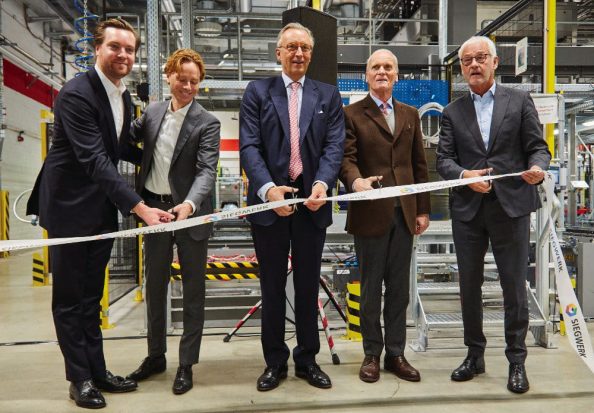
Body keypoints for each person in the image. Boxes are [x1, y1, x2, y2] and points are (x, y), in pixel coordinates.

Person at [25, 18, 174, 409]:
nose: (123, 54)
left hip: (100, 209)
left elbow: (120, 147)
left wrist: (165, 163)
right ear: (98, 50)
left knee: (92, 298)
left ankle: (98, 370)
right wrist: (140, 207)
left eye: (129, 49)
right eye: (115, 47)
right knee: (71, 301)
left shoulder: (122, 97)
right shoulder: (76, 94)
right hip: (69, 211)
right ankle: (79, 379)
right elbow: (94, 158)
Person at [436, 36, 551, 394]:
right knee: (468, 285)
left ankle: (517, 361)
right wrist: (463, 177)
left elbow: (538, 147)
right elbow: (444, 160)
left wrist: (538, 168)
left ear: (495, 62)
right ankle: (475, 355)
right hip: (469, 211)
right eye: (467, 60)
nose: (473, 65)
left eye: (480, 58)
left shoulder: (518, 101)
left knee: (513, 286)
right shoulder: (452, 111)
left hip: (511, 207)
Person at [239, 22, 345, 391]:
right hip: (270, 205)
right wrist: (268, 190)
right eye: (291, 47)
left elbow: (334, 147)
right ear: (278, 53)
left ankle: (307, 359)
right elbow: (249, 146)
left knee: (306, 286)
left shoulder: (328, 95)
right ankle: (274, 362)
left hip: (312, 204)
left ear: (311, 54)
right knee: (271, 288)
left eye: (304, 47)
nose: (298, 53)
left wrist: (321, 183)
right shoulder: (258, 91)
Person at [125, 49, 220, 395]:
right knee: (154, 287)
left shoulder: (207, 122)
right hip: (154, 211)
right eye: (182, 79)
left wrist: (190, 205)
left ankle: (186, 364)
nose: (188, 86)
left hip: (189, 215)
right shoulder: (151, 113)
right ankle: (155, 356)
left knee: (194, 291)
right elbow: (126, 141)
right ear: (168, 76)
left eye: (195, 82)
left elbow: (207, 170)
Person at [339, 49, 430, 384]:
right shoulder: (351, 114)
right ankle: (371, 354)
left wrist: (422, 208)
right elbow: (345, 158)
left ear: (396, 76)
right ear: (366, 75)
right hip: (370, 213)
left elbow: (418, 164)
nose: (381, 71)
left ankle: (396, 353)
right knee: (370, 288)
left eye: (387, 67)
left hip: (404, 214)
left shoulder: (410, 114)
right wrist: (355, 180)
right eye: (375, 66)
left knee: (399, 290)